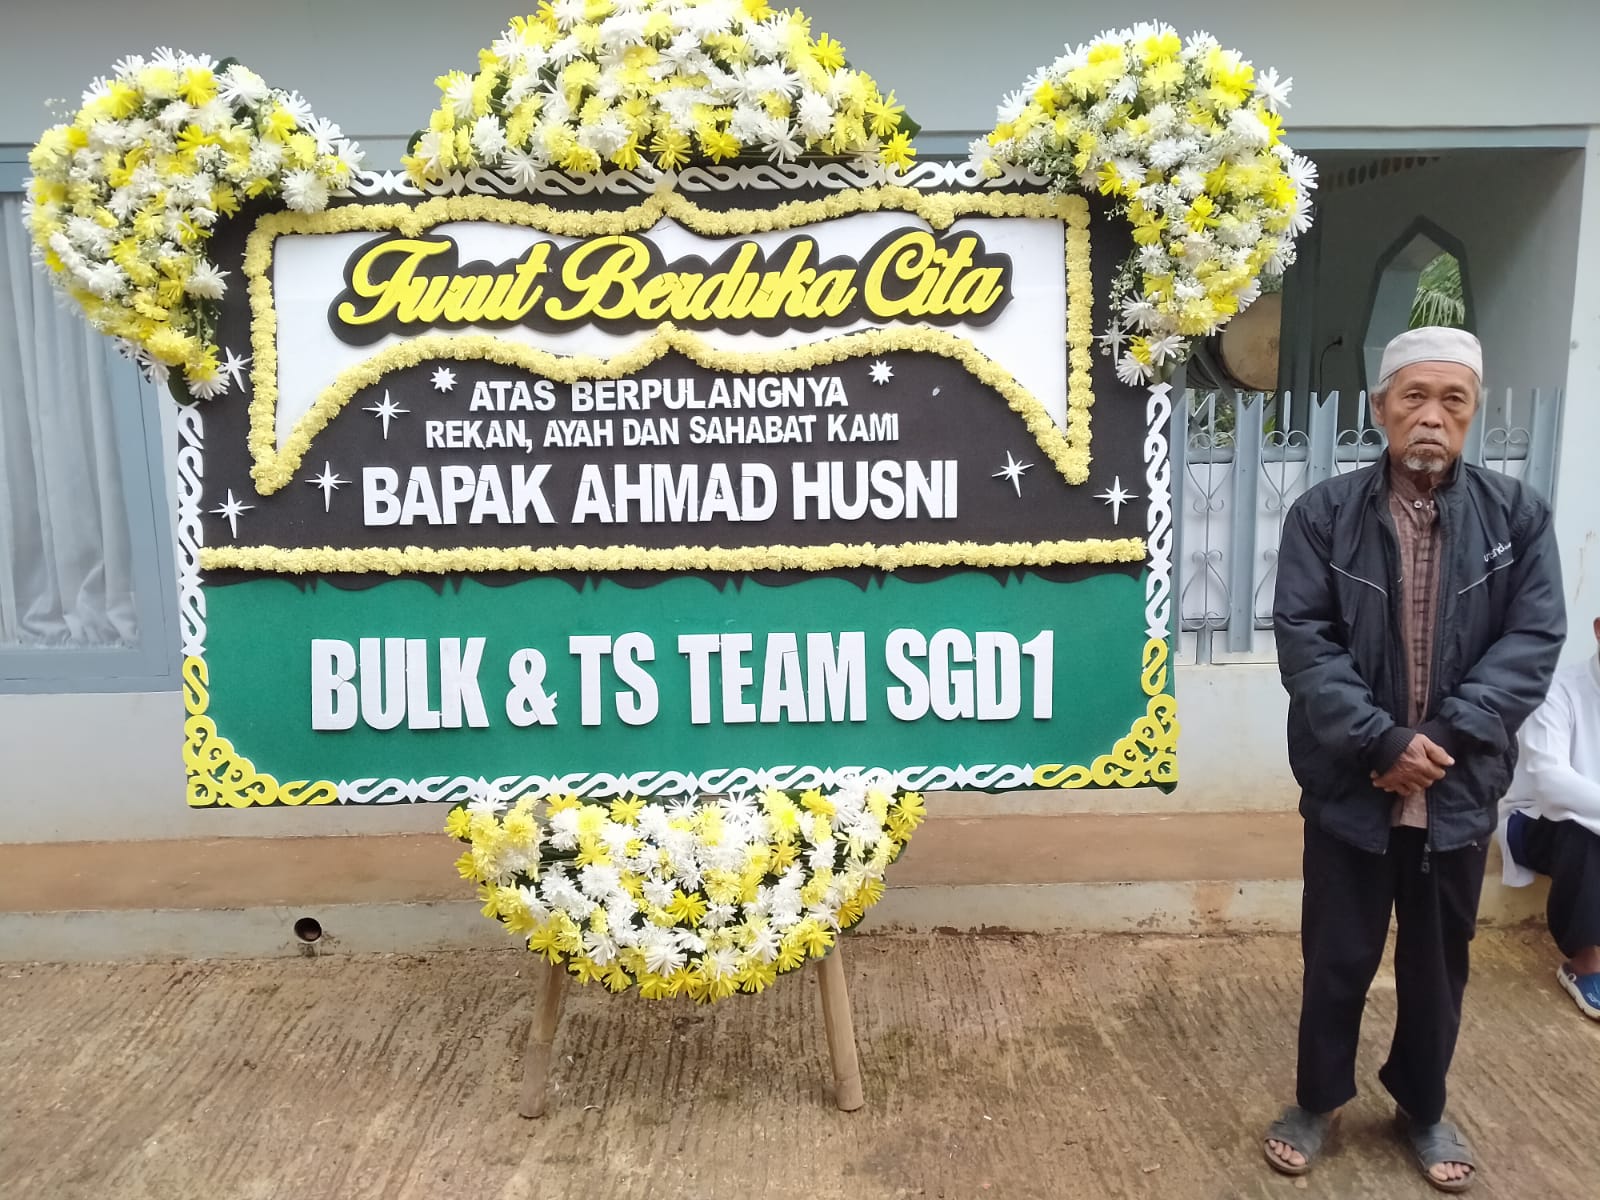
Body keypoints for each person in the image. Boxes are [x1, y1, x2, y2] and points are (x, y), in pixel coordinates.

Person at [1262, 326, 1565, 1192]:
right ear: (1381, 407)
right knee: (1337, 958)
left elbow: (1532, 641)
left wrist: (1447, 739)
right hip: (1351, 785)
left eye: (1452, 400)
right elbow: (1306, 643)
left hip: (1456, 790)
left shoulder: (1518, 518)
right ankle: (1318, 1100)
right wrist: (1381, 741)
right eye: (1414, 397)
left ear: (1473, 412)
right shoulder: (1323, 516)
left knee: (1438, 966)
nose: (1431, 416)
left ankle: (1423, 1106)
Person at [1497, 616, 1600, 1016]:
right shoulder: (1558, 690)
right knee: (1581, 825)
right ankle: (1584, 962)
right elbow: (1550, 783)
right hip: (1537, 822)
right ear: (1598, 630)